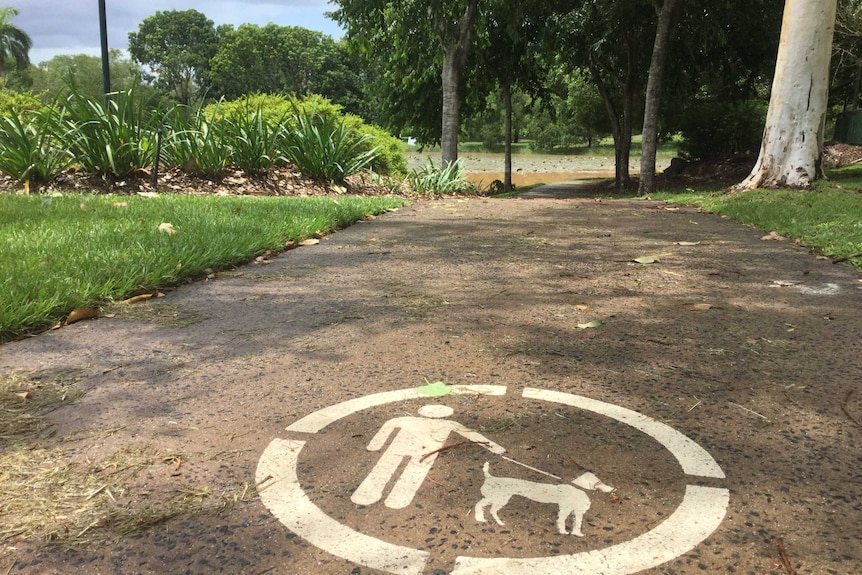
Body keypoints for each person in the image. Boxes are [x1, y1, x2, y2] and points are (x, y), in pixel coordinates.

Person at [351, 404, 505, 509]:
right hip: (424, 451)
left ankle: (369, 494)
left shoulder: (406, 419)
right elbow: (471, 434)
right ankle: (398, 499)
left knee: (385, 468)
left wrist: (375, 445)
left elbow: (387, 427)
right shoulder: (449, 423)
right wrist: (495, 448)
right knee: (412, 472)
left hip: (403, 449)